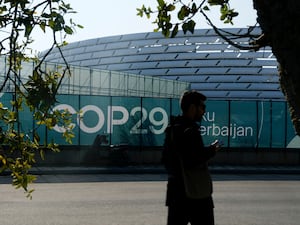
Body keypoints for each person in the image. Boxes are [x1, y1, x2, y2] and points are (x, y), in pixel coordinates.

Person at [162, 90, 221, 225]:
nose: (204, 111)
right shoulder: (190, 130)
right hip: (196, 192)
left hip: (175, 193)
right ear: (192, 108)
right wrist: (211, 150)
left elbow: (165, 160)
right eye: (202, 107)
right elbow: (194, 159)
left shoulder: (172, 129)